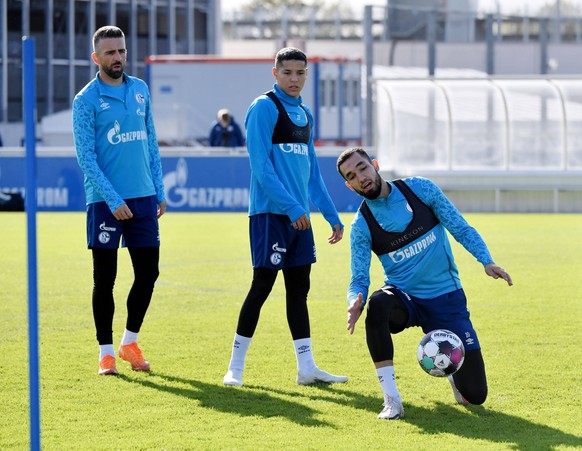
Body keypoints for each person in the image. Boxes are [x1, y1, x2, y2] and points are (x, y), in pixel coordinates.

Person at [336, 147, 513, 420]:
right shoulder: (362, 225)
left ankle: (454, 377)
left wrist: (486, 261)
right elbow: (359, 277)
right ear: (349, 186)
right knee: (377, 304)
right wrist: (354, 299)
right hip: (404, 298)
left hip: (446, 298)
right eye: (352, 176)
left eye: (362, 168)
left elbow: (460, 227)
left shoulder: (421, 189)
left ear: (375, 165)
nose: (361, 177)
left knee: (476, 396)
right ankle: (391, 400)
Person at [223, 47, 348, 387]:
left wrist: (331, 215)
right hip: (271, 214)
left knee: (299, 290)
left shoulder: (305, 113)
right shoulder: (264, 107)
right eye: (288, 73)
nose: (294, 79)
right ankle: (235, 367)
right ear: (275, 73)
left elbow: (311, 173)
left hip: (300, 220)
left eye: (300, 73)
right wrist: (293, 208)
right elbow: (260, 166)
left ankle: (306, 369)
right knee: (262, 285)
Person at [72, 25, 166, 376]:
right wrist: (112, 199)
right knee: (105, 279)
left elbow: (151, 143)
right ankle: (106, 352)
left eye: (122, 51)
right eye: (110, 52)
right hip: (104, 201)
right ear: (96, 58)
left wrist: (158, 189)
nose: (118, 57)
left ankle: (129, 342)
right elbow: (85, 156)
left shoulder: (140, 89)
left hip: (143, 197)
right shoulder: (85, 100)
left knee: (149, 273)